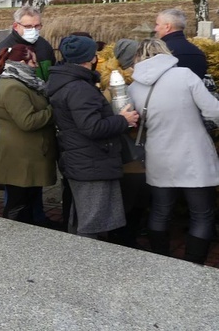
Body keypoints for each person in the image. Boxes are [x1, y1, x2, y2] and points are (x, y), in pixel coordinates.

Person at [128, 38, 219, 264]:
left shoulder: (133, 86)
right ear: (166, 52)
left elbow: (133, 123)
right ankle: (192, 263)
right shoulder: (185, 75)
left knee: (160, 211)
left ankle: (162, 261)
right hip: (194, 153)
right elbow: (214, 111)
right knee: (201, 214)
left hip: (158, 155)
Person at [47, 36, 139, 237]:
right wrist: (123, 120)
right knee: (92, 223)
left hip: (83, 159)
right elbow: (92, 127)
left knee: (83, 217)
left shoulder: (67, 81)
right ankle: (86, 265)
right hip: (91, 162)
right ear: (91, 58)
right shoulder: (79, 88)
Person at [0, 44, 57, 223]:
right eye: (33, 62)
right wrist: (53, 110)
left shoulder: (24, 82)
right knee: (18, 204)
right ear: (22, 63)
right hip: (19, 156)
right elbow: (27, 121)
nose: (36, 66)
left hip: (27, 155)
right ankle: (12, 239)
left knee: (26, 201)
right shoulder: (14, 87)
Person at [99, 39, 149, 247]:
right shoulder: (119, 86)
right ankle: (123, 245)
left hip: (132, 154)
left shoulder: (126, 81)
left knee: (133, 203)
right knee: (129, 204)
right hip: (128, 156)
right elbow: (119, 122)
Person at [153, 8, 207, 77]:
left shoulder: (160, 52)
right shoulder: (198, 53)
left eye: (157, 25)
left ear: (167, 27)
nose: (155, 29)